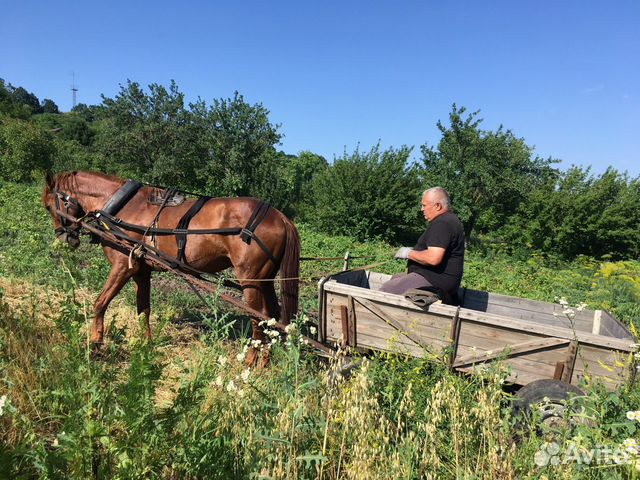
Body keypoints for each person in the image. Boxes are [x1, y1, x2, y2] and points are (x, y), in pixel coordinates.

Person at [379, 187, 465, 304]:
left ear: (438, 206)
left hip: (436, 280)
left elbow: (433, 258)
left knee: (387, 289)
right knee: (396, 278)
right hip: (438, 278)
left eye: (424, 205)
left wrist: (408, 253)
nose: (421, 209)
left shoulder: (442, 223)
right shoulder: (449, 220)